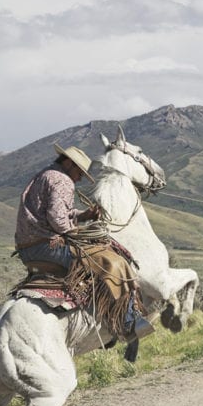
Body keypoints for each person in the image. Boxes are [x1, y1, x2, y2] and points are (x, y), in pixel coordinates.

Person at [15, 143, 152, 342]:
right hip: (47, 247)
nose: (79, 178)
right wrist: (82, 232)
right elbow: (58, 221)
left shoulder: (45, 175)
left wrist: (84, 215)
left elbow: (57, 214)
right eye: (79, 172)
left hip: (28, 248)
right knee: (111, 260)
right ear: (69, 163)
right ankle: (128, 320)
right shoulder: (62, 179)